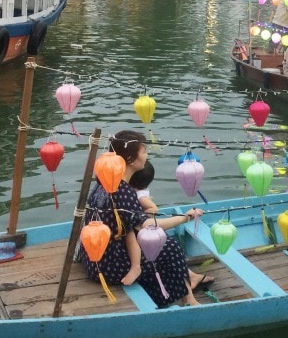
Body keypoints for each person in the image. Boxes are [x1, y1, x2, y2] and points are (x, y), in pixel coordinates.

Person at [81, 130, 204, 307]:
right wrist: (185, 218)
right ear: (131, 160)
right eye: (144, 151)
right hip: (110, 266)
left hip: (94, 259)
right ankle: (187, 299)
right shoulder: (124, 191)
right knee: (170, 247)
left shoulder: (105, 182)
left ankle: (175, 288)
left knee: (156, 244)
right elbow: (148, 226)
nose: (146, 155)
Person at [128, 160, 214, 290]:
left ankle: (189, 276)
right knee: (167, 243)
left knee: (165, 240)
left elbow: (149, 214)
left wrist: (142, 215)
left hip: (138, 232)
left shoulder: (131, 194)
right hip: (138, 235)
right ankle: (188, 282)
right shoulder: (140, 195)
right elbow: (152, 211)